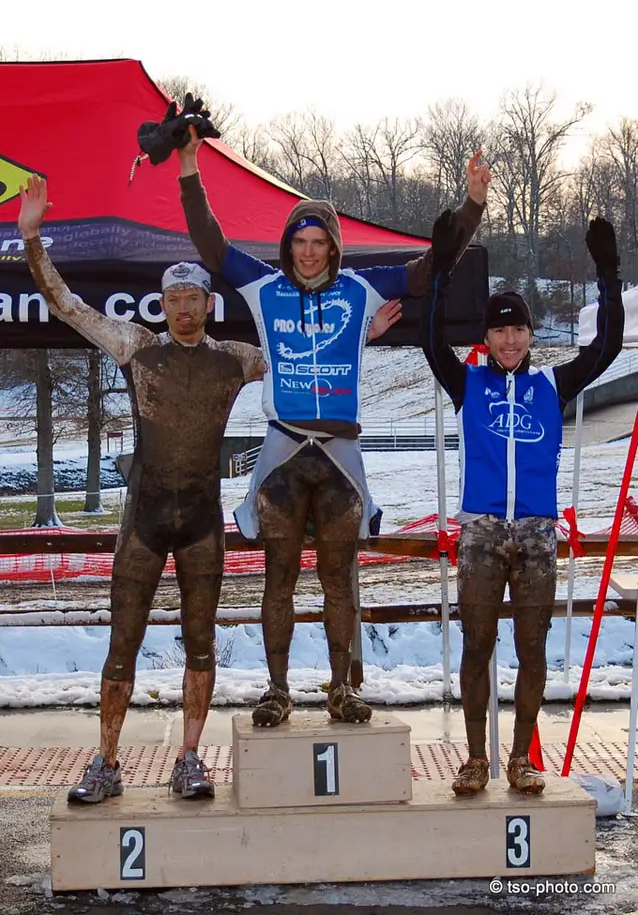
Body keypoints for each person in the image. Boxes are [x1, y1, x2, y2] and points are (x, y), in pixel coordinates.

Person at [178, 126, 490, 726]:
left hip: (342, 451)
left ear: (334, 246)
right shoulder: (262, 287)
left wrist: (472, 203)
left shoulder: (362, 289)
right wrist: (190, 167)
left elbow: (432, 268)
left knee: (340, 580)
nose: (309, 252)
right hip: (283, 448)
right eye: (301, 240)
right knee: (279, 577)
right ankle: (276, 689)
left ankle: (342, 689)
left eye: (320, 241)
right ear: (288, 244)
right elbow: (211, 246)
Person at [18, 174, 265, 803]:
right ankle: (106, 760)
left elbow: (304, 354)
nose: (183, 308)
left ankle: (188, 757)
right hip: (145, 521)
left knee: (202, 642)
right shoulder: (137, 346)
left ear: (209, 304)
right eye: (173, 298)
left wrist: (363, 332)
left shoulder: (235, 358)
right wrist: (31, 239)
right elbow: (68, 306)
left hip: (204, 523)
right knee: (121, 642)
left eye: (193, 298)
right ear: (162, 304)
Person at [421, 209, 625, 795]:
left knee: (531, 648)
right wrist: (440, 266)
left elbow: (607, 345)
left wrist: (606, 271)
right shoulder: (469, 384)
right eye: (499, 330)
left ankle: (522, 760)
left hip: (536, 534)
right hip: (481, 534)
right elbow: (433, 337)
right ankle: (475, 759)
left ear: (531, 336)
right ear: (486, 338)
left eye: (519, 330)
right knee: (478, 645)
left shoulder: (551, 386)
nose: (509, 339)